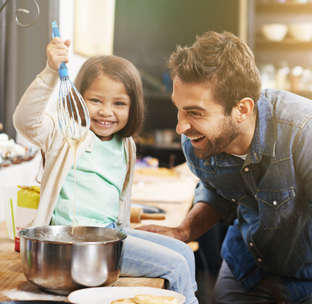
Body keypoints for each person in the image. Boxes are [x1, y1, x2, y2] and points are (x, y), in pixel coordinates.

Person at [137, 31, 312, 304]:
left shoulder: (309, 130)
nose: (181, 127)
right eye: (179, 109)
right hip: (245, 265)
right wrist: (185, 230)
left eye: (195, 112)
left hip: (310, 276)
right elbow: (216, 188)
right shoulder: (196, 140)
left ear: (242, 109)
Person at [13, 36, 198, 304]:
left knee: (185, 253)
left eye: (119, 104)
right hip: (76, 244)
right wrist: (51, 72)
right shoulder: (66, 136)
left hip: (110, 236)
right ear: (79, 98)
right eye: (95, 100)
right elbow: (24, 120)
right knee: (175, 265)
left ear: (133, 106)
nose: (106, 112)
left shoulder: (126, 146)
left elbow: (118, 204)